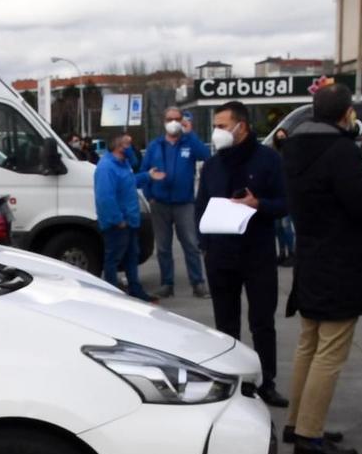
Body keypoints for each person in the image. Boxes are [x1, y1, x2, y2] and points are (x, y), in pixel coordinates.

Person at [279, 83, 362, 454]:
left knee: (309, 344)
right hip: (340, 263)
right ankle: (309, 434)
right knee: (330, 351)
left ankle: (296, 422)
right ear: (346, 112)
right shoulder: (340, 150)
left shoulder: (295, 147)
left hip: (312, 257)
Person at [197, 99, 291, 405]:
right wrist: (206, 246)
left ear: (242, 127)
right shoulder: (212, 164)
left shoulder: (268, 160)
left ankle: (266, 382)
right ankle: (231, 383)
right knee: (225, 325)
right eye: (215, 127)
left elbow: (284, 203)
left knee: (262, 322)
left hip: (257, 253)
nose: (217, 133)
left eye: (222, 126)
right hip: (221, 256)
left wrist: (259, 204)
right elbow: (201, 207)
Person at [138, 105, 210, 299]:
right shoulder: (155, 145)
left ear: (182, 120)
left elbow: (206, 156)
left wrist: (191, 134)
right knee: (163, 247)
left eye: (176, 119)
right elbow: (144, 171)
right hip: (159, 203)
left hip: (184, 203)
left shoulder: (188, 143)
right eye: (169, 119)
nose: (173, 122)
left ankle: (198, 283)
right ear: (164, 122)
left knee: (191, 244)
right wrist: (149, 194)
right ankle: (167, 284)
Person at [93, 132, 150, 299]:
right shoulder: (106, 167)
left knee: (132, 257)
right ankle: (112, 293)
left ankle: (136, 291)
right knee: (113, 259)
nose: (131, 148)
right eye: (128, 144)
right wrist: (118, 220)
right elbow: (105, 198)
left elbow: (130, 181)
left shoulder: (123, 163)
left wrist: (147, 176)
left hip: (130, 221)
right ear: (119, 146)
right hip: (117, 224)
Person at [271, 125, 296, 264]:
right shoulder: (274, 154)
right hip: (276, 194)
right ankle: (281, 252)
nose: (281, 139)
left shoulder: (291, 154)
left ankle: (292, 252)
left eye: (283, 137)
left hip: (287, 193)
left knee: (286, 225)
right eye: (279, 137)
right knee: (278, 226)